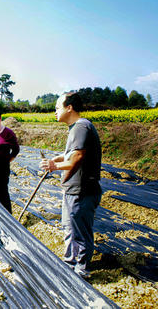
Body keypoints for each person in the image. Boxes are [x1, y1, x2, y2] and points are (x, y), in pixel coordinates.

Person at [39, 92, 102, 279]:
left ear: (69, 107)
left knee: (80, 232)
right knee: (69, 228)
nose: (55, 111)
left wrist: (54, 166)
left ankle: (82, 270)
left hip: (82, 191)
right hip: (72, 190)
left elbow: (78, 157)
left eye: (58, 107)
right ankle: (70, 263)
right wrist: (58, 158)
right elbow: (73, 153)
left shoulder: (81, 127)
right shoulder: (75, 128)